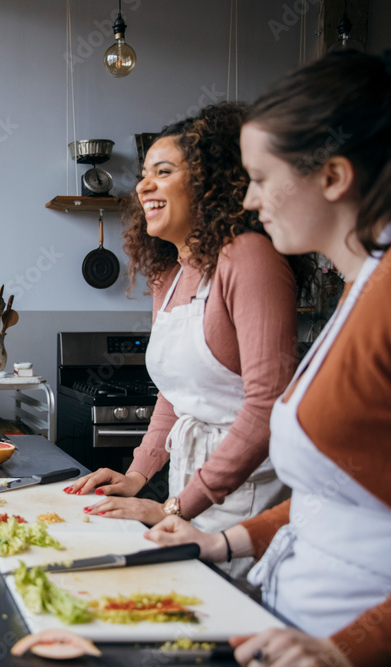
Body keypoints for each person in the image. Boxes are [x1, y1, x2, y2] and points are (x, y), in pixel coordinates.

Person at [148, 50, 391, 667]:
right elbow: (326, 501)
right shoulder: (358, 289)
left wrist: (346, 650)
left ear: (333, 177)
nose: (248, 201)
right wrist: (218, 542)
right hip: (286, 624)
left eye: (260, 178)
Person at [66, 102, 309, 577]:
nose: (142, 185)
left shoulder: (248, 258)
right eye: (143, 175)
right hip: (190, 485)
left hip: (250, 491)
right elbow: (174, 396)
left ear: (211, 182)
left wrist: (178, 506)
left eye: (163, 171)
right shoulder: (170, 277)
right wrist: (138, 475)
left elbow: (267, 408)